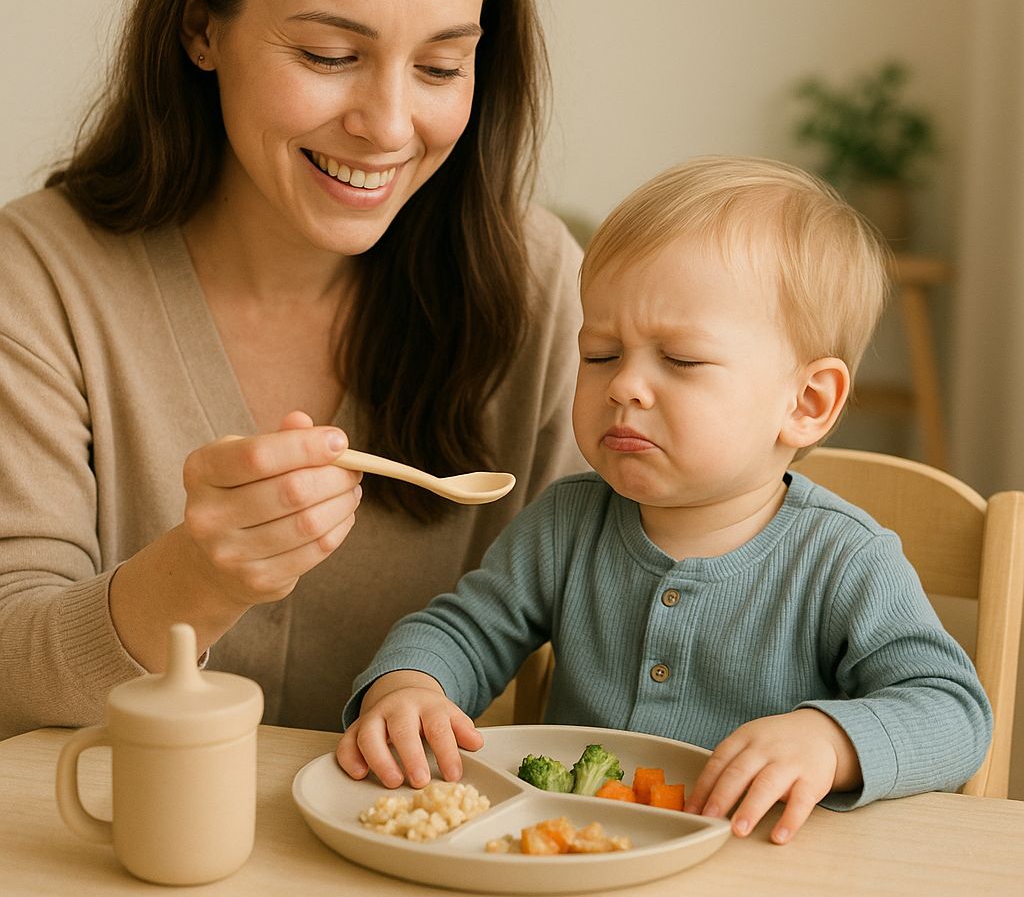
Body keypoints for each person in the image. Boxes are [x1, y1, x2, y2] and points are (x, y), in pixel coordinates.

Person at [0, 0, 587, 740]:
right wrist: (199, 579)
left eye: (439, 67)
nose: (389, 126)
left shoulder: (538, 286)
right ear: (202, 26)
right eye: (329, 55)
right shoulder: (37, 279)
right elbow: (8, 679)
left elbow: (634, 592)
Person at [336, 156, 992, 844]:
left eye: (680, 360)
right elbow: (463, 631)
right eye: (600, 354)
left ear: (806, 403)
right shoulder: (565, 523)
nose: (624, 386)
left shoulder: (845, 560)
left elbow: (952, 712)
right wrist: (410, 687)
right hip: (576, 855)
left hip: (759, 867)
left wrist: (830, 740)